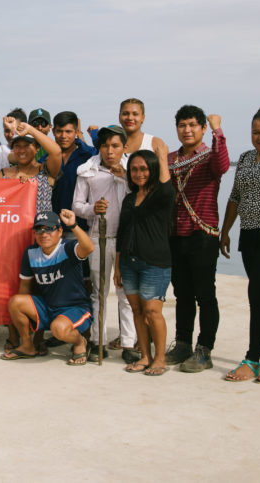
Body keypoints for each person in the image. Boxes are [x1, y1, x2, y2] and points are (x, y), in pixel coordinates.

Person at [217, 106, 260, 381]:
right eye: (256, 132)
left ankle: (252, 358)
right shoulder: (246, 158)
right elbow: (235, 197)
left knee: (259, 299)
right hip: (249, 236)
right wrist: (225, 232)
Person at [164, 105, 229, 373]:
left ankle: (204, 349)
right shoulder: (169, 159)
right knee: (182, 294)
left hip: (203, 234)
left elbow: (223, 165)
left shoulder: (210, 156)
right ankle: (182, 344)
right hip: (175, 235)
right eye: (182, 125)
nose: (187, 130)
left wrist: (218, 131)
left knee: (205, 294)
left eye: (193, 125)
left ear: (202, 128)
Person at [73, 125, 138, 364]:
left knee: (125, 293)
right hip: (98, 238)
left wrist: (125, 177)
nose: (110, 151)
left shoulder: (134, 168)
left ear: (124, 147)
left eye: (115, 146)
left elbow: (144, 196)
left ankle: (128, 343)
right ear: (99, 147)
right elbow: (77, 205)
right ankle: (97, 340)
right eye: (105, 145)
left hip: (128, 240)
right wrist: (93, 209)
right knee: (99, 292)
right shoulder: (88, 170)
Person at [0, 209, 95, 366]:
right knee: (16, 301)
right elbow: (24, 288)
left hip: (75, 308)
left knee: (58, 329)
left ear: (59, 231)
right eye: (39, 229)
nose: (44, 234)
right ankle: (27, 346)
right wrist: (21, 320)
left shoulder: (68, 248)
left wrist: (74, 225)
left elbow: (89, 248)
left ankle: (80, 342)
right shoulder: (31, 253)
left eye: (49, 229)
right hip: (49, 306)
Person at [115, 142, 175, 375]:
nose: (139, 173)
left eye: (144, 169)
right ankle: (145, 356)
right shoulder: (129, 199)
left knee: (152, 311)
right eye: (134, 169)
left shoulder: (160, 196)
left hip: (154, 263)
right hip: (130, 263)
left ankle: (160, 358)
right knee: (137, 311)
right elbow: (122, 233)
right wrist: (119, 267)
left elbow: (167, 189)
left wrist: (161, 157)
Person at [50, 111, 97, 231]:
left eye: (68, 131)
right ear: (53, 131)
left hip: (82, 228)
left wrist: (95, 135)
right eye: (59, 131)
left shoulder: (90, 156)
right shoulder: (46, 159)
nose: (63, 136)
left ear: (76, 132)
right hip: (53, 229)